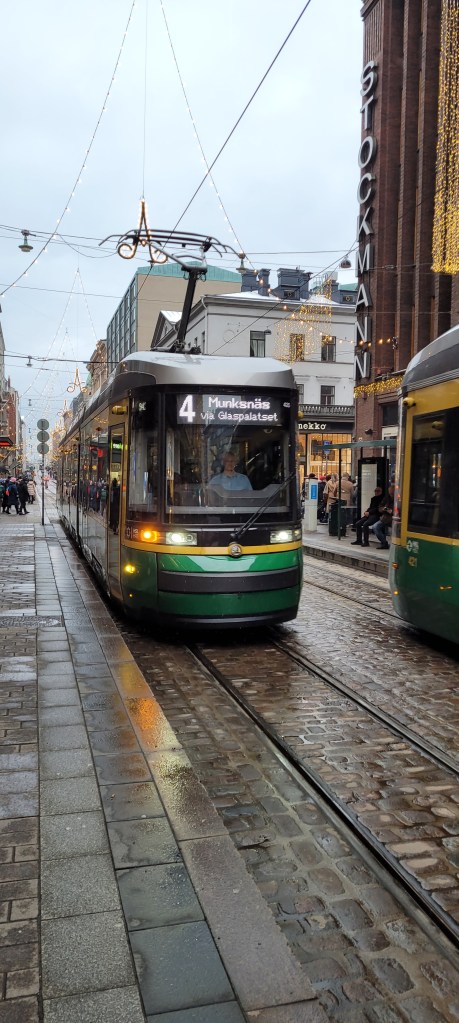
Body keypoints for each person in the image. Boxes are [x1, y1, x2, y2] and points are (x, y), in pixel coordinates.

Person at [371, 484, 395, 549]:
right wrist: (383, 509)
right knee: (375, 527)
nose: (391, 494)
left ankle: (393, 545)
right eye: (390, 493)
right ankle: (384, 543)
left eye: (392, 493)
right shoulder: (386, 498)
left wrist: (392, 511)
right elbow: (380, 507)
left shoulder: (398, 499)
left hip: (393, 519)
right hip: (385, 518)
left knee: (393, 531)